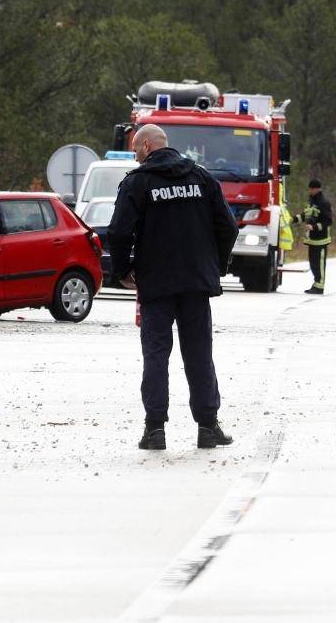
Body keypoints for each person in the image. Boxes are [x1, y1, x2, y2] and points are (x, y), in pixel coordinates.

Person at [107, 124, 240, 451]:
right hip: (196, 283)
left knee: (155, 355)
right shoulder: (202, 179)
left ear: (148, 146)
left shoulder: (138, 183)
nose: (136, 157)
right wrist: (216, 267)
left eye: (137, 150)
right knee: (199, 353)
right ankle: (208, 427)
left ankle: (155, 431)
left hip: (156, 285)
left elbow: (119, 232)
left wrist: (124, 271)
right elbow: (229, 227)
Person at [299, 179, 335, 295]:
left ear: (317, 189)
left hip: (321, 240)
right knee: (313, 263)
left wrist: (313, 227)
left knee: (320, 264)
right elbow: (307, 215)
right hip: (312, 240)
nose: (310, 191)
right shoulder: (312, 201)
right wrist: (294, 219)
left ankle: (320, 287)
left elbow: (328, 221)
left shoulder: (324, 203)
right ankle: (315, 284)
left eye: (312, 189)